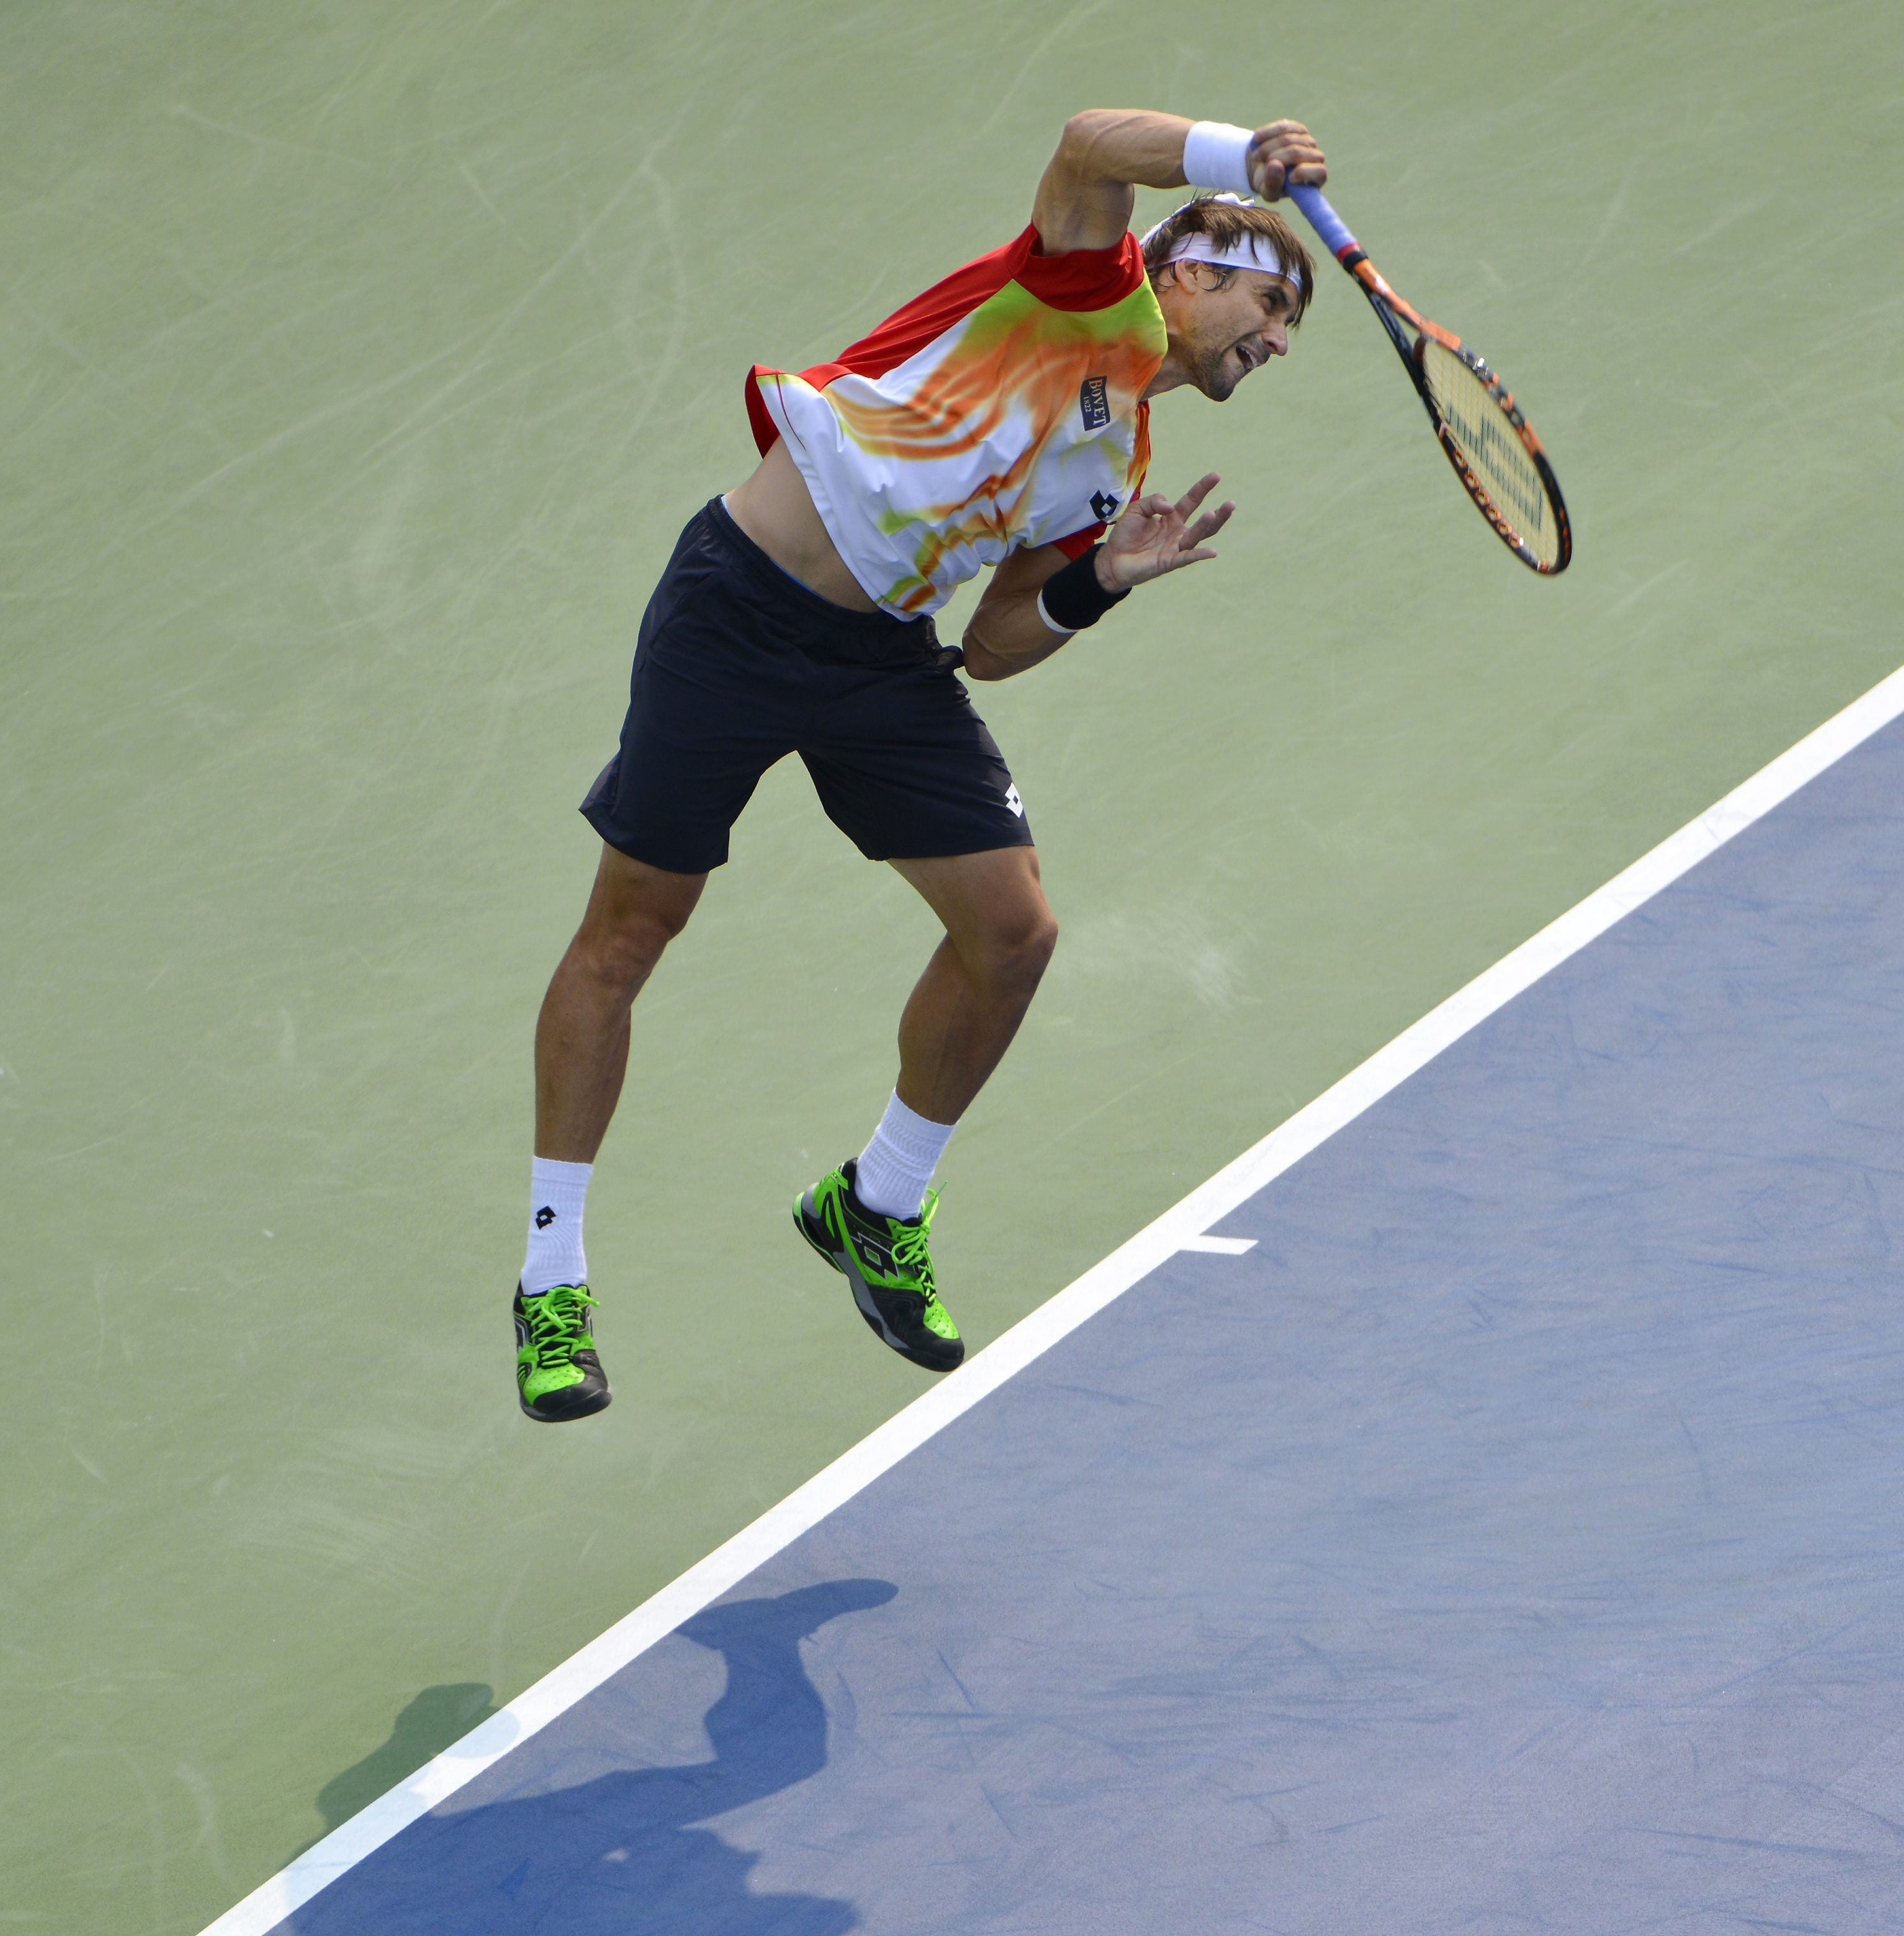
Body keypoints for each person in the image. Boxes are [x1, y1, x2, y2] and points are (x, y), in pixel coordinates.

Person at [514, 112, 1328, 1423]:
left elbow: (992, 644)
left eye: (1291, 322)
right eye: (1265, 296)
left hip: (875, 656)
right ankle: (552, 1280)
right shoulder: (1083, 286)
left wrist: (1101, 584)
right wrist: (1236, 154)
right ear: (1184, 271)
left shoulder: (1115, 463)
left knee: (1014, 932)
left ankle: (875, 1201)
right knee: (630, 929)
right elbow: (1086, 143)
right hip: (737, 606)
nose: (1277, 335)